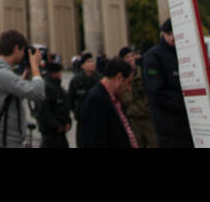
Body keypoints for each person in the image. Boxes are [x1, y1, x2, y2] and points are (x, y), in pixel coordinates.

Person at [0, 30, 47, 148]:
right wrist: (35, 66)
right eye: (23, 50)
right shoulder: (2, 74)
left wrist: (26, 74)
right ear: (16, 49)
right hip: (7, 141)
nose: (25, 54)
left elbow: (10, 95)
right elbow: (38, 93)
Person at [142, 18, 193, 147]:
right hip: (169, 125)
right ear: (163, 34)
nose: (172, 38)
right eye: (168, 34)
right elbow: (156, 92)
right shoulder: (153, 57)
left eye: (174, 34)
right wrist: (185, 104)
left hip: (189, 123)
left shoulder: (186, 53)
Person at [79, 57, 137, 148]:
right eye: (128, 83)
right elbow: (95, 142)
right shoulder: (97, 100)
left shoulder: (112, 97)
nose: (129, 88)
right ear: (119, 77)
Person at [121, 47, 157, 147]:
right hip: (133, 120)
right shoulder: (121, 78)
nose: (130, 59)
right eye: (127, 57)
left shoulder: (144, 71)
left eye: (131, 56)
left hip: (148, 118)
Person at [33, 58, 71, 148]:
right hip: (51, 131)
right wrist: (56, 126)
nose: (60, 74)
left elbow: (65, 106)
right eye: (58, 72)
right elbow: (44, 110)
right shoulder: (46, 87)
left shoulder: (58, 87)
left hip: (60, 130)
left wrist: (68, 122)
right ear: (53, 73)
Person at [68, 52, 98, 143]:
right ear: (82, 66)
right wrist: (77, 111)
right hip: (83, 120)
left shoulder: (100, 79)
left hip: (98, 120)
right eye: (88, 62)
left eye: (92, 61)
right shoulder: (76, 81)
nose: (92, 64)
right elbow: (70, 100)